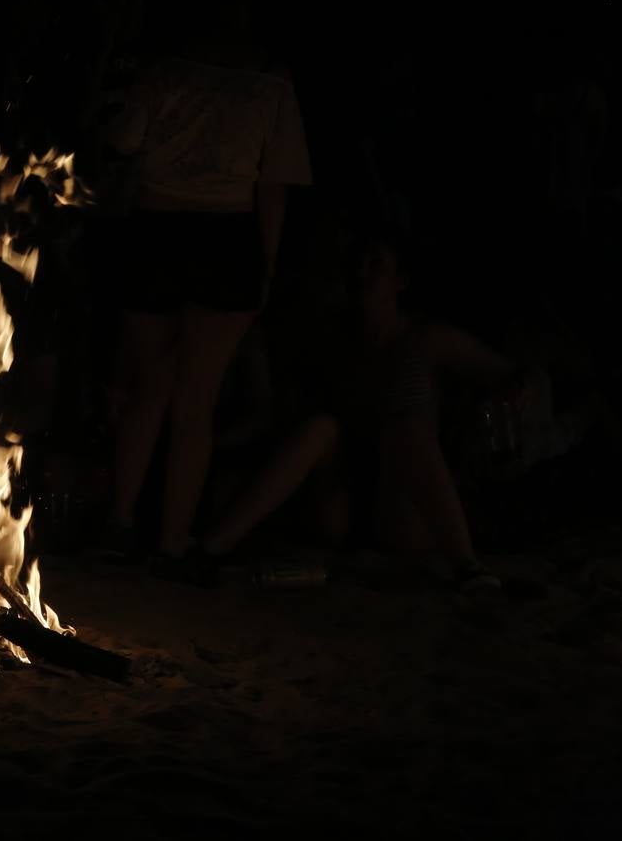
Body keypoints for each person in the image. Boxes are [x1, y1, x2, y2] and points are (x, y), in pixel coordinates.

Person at [99, 0, 312, 566]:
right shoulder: (269, 81)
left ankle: (121, 523)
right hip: (225, 235)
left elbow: (123, 144)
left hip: (157, 229)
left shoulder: (165, 72)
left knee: (151, 389)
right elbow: (274, 183)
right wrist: (264, 264)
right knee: (196, 401)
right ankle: (171, 540)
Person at [195, 235, 518, 591]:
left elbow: (511, 376)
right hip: (343, 502)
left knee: (406, 427)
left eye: (375, 266)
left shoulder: (424, 338)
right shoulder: (336, 341)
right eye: (358, 264)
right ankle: (213, 547)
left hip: (403, 504)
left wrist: (504, 409)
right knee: (322, 428)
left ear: (400, 281)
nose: (361, 274)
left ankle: (466, 564)